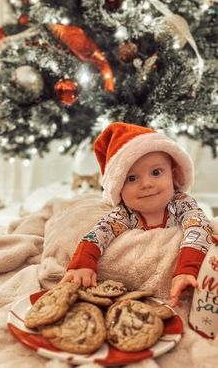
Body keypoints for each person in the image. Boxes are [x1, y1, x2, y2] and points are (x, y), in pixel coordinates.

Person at [61, 122, 211, 306]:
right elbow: (98, 233)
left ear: (173, 175)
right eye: (132, 178)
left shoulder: (182, 203)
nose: (146, 184)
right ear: (119, 188)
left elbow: (199, 228)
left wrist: (187, 269)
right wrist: (82, 264)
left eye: (156, 172)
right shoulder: (124, 213)